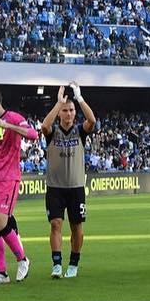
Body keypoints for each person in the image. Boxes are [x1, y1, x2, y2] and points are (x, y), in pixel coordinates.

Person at [0, 88, 36, 286]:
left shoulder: (13, 118)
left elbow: (33, 135)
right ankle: (1, 273)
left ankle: (23, 259)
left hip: (8, 178)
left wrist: (7, 126)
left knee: (0, 222)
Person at [41, 83, 96, 279]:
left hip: (76, 187)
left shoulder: (80, 131)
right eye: (65, 111)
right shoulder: (53, 133)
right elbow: (44, 126)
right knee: (55, 224)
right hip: (55, 187)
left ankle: (74, 263)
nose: (69, 114)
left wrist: (79, 98)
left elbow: (92, 120)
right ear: (59, 113)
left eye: (71, 110)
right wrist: (58, 102)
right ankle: (57, 264)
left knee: (76, 227)